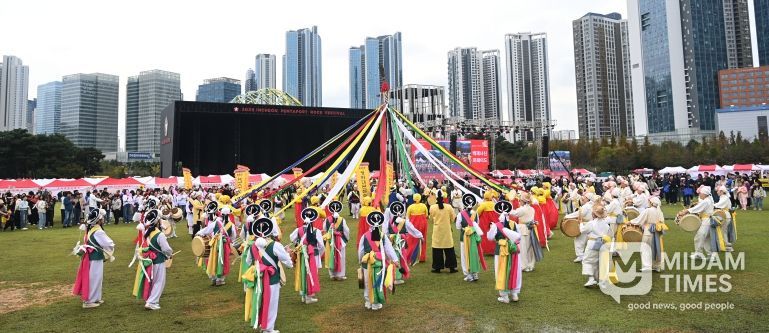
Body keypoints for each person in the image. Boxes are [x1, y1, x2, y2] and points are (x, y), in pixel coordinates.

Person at [242, 218, 293, 332]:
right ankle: (268, 328)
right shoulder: (275, 245)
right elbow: (287, 262)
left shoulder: (253, 246)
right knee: (271, 303)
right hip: (272, 278)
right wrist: (289, 258)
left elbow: (248, 262)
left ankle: (262, 324)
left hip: (258, 279)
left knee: (260, 301)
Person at [132, 209, 173, 310]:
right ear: (158, 222)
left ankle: (150, 299)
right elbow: (166, 249)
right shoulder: (160, 235)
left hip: (148, 260)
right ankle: (152, 302)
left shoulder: (146, 232)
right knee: (159, 281)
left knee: (152, 281)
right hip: (158, 260)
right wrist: (169, 254)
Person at [72, 209, 115, 308]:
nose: (103, 219)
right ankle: (89, 301)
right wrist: (108, 252)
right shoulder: (98, 231)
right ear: (99, 220)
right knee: (94, 278)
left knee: (96, 278)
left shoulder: (90, 229)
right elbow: (109, 243)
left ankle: (95, 298)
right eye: (102, 218)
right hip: (94, 257)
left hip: (90, 257)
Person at [358, 212, 399, 311]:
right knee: (378, 281)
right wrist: (395, 259)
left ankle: (368, 301)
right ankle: (376, 302)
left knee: (368, 282)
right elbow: (389, 248)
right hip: (380, 263)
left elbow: (360, 251)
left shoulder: (364, 236)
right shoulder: (383, 236)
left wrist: (360, 260)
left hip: (367, 262)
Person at [487, 208, 522, 303]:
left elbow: (489, 237)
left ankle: (504, 295)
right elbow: (519, 238)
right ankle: (514, 293)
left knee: (501, 271)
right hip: (513, 250)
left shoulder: (495, 225)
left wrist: (491, 229)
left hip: (501, 251)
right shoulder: (514, 224)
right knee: (515, 270)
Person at [289, 209, 324, 304]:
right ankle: (309, 296)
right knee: (312, 273)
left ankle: (304, 295)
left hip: (301, 256)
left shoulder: (298, 230)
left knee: (303, 273)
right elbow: (321, 246)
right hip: (313, 255)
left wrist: (299, 243)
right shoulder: (317, 231)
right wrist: (319, 254)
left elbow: (291, 238)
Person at [196, 207, 238, 286]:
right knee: (223, 260)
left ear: (221, 214)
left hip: (215, 244)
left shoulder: (216, 222)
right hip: (225, 245)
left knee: (213, 259)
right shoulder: (231, 224)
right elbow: (233, 236)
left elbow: (206, 230)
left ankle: (213, 278)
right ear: (229, 214)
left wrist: (199, 234)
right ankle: (220, 279)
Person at [679, 186, 718, 261]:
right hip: (707, 220)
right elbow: (700, 206)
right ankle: (710, 255)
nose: (699, 194)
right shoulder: (708, 199)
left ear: (705, 194)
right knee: (707, 238)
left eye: (700, 193)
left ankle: (699, 254)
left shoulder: (706, 201)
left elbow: (698, 208)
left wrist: (686, 211)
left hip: (706, 221)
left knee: (699, 236)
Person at [630, 197, 667, 272]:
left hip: (648, 231)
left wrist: (630, 222)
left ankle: (647, 266)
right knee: (656, 248)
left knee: (645, 248)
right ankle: (657, 266)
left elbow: (639, 220)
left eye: (649, 201)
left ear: (651, 202)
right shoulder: (659, 211)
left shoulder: (648, 210)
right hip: (657, 231)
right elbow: (662, 221)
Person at [579, 205, 612, 287]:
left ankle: (591, 279)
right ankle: (602, 282)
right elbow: (610, 235)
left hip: (592, 243)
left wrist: (580, 223)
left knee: (588, 261)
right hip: (603, 243)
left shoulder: (591, 223)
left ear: (594, 214)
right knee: (602, 263)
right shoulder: (606, 224)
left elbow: (582, 230)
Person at [455, 195, 486, 281]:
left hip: (464, 237)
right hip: (473, 238)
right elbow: (477, 224)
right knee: (474, 254)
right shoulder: (475, 214)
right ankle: (475, 273)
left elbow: (458, 226)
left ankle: (468, 274)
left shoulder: (460, 214)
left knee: (465, 256)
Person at [510, 192, 542, 272]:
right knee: (530, 247)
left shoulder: (522, 209)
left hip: (523, 228)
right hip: (530, 228)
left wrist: (508, 205)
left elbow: (514, 213)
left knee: (523, 248)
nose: (519, 202)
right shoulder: (531, 208)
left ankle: (524, 265)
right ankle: (530, 264)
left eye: (520, 200)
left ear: (524, 201)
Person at [429, 191, 457, 273]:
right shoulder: (449, 207)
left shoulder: (432, 207)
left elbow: (431, 219)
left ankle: (437, 267)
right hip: (447, 229)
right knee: (449, 248)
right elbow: (453, 218)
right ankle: (452, 267)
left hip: (437, 230)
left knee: (437, 248)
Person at [563, 195, 593, 262]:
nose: (582, 198)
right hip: (592, 224)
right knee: (590, 240)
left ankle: (580, 256)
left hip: (585, 224)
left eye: (584, 197)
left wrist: (567, 216)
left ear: (588, 199)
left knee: (579, 240)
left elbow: (578, 214)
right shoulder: (592, 205)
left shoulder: (586, 206)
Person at [323, 205, 350, 281]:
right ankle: (340, 274)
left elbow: (324, 228)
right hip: (340, 240)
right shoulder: (342, 219)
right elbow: (346, 230)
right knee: (341, 256)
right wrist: (346, 239)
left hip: (330, 240)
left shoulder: (327, 219)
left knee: (330, 255)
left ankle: (332, 274)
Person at [406, 194, 429, 262]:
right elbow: (426, 215)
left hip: (413, 224)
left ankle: (411, 256)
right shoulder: (424, 205)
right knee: (423, 239)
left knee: (412, 240)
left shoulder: (410, 207)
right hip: (423, 223)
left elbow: (407, 217)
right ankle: (422, 257)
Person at [714, 186, 735, 252]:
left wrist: (712, 205)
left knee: (722, 231)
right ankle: (725, 244)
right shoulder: (723, 197)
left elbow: (720, 205)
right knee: (723, 231)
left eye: (718, 191)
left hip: (725, 216)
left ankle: (726, 246)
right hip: (725, 215)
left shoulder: (724, 197)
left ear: (722, 192)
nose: (717, 192)